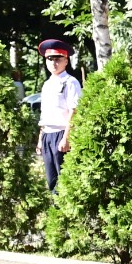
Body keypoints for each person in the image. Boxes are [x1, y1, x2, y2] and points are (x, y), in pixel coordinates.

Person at [35, 39, 81, 192]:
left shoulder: (70, 82)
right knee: (52, 181)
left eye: (58, 59)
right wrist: (41, 139)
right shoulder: (47, 84)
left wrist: (66, 138)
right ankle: (57, 212)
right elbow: (45, 113)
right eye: (50, 59)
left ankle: (66, 213)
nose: (53, 63)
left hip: (62, 134)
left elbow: (74, 112)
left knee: (65, 179)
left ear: (66, 61)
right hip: (48, 134)